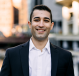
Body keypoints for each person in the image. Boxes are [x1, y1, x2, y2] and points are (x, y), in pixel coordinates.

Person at [0, 5, 74, 76]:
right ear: (29, 24)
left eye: (46, 20)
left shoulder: (66, 56)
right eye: (37, 20)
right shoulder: (12, 55)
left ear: (51, 25)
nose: (41, 25)